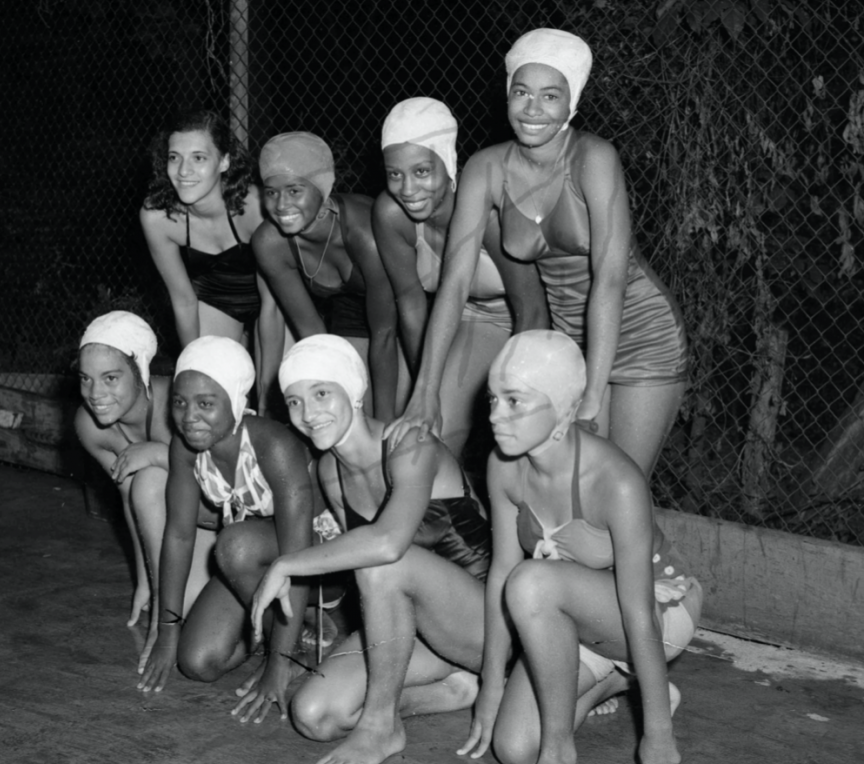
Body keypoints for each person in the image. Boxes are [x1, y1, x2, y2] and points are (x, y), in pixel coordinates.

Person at [388, 29, 688, 480]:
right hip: (568, 340)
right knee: (564, 488)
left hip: (641, 333)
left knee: (616, 488)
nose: (532, 109)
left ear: (572, 102)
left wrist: (589, 395)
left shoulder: (594, 158)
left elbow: (610, 279)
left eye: (550, 96)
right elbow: (454, 285)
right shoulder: (486, 168)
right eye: (522, 92)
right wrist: (424, 391)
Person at [458, 330, 702, 764]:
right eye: (493, 399)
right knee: (515, 749)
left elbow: (639, 612)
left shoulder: (616, 481)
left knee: (531, 584)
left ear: (563, 407)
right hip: (577, 617)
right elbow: (501, 572)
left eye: (514, 401)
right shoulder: (503, 466)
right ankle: (612, 682)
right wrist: (490, 684)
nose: (495, 415)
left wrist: (658, 737)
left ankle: (560, 756)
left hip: (658, 612)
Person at [251, 334, 489, 764]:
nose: (309, 413)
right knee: (315, 714)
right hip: (420, 630)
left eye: (322, 393)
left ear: (354, 391)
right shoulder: (330, 471)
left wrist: (286, 564)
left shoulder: (410, 443)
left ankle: (381, 727)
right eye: (295, 402)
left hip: (485, 622)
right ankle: (457, 690)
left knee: (381, 565)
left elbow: (387, 544)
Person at [138, 335, 334, 723]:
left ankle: (294, 644)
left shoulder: (272, 444)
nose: (189, 416)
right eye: (180, 402)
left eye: (206, 403)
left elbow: (297, 558)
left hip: (322, 558)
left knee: (233, 546)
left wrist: (278, 664)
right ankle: (290, 633)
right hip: (257, 557)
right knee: (198, 662)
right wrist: (167, 632)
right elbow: (179, 535)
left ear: (235, 402)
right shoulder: (185, 447)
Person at [372, 97, 547, 458]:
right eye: (395, 174)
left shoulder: (489, 212)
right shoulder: (390, 215)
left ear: (449, 162)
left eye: (422, 171)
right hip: (463, 319)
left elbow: (532, 308)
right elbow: (411, 307)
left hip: (526, 321)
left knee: (522, 444)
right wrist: (426, 388)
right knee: (422, 439)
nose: (408, 189)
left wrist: (515, 388)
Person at [252, 132, 404, 422]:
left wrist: (383, 427)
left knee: (395, 420)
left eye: (294, 190)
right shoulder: (269, 244)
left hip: (403, 315)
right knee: (350, 413)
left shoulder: (365, 232)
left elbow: (385, 333)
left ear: (322, 187)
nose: (281, 205)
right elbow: (313, 333)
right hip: (349, 314)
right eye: (271, 192)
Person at [140, 108, 285, 409]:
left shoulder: (256, 208)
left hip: (274, 304)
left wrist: (266, 394)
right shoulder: (158, 218)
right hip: (216, 302)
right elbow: (184, 301)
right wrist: (192, 368)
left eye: (198, 158)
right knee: (208, 389)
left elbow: (272, 305)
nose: (183, 171)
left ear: (224, 161)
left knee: (282, 392)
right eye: (174, 157)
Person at [74, 311, 173, 663]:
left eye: (111, 378)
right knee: (143, 484)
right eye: (85, 379)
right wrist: (146, 579)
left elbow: (221, 478)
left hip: (219, 522)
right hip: (177, 533)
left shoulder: (176, 403)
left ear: (140, 371)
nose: (95, 394)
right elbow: (131, 498)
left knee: (151, 478)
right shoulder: (90, 425)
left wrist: (159, 453)